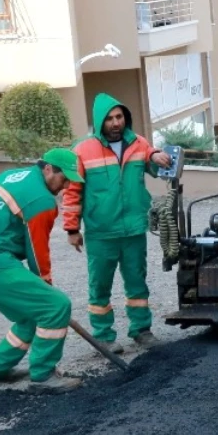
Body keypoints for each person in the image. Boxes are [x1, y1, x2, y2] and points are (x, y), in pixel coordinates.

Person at [0, 149, 87, 393]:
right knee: (55, 306)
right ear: (48, 168)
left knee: (29, 315)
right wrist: (45, 286)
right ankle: (44, 375)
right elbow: (38, 253)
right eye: (64, 178)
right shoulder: (42, 201)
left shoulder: (12, 175)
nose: (66, 185)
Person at [63, 93, 172, 355]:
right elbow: (72, 192)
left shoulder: (139, 143)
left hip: (134, 228)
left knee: (137, 282)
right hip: (101, 232)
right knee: (99, 286)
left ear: (125, 118)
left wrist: (158, 156)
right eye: (110, 118)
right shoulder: (82, 150)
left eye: (119, 117)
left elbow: (155, 163)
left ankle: (141, 331)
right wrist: (72, 229)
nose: (115, 123)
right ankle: (103, 336)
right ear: (100, 121)